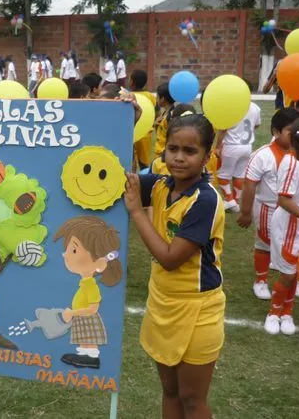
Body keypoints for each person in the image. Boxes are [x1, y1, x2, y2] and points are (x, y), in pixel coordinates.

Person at [124, 113, 226, 419]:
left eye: (190, 151)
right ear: (164, 149)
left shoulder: (205, 200)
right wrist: (125, 123)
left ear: (207, 156)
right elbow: (115, 178)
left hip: (198, 312)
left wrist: (138, 214)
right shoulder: (159, 185)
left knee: (192, 400)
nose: (179, 158)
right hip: (161, 304)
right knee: (169, 392)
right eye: (173, 149)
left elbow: (170, 259)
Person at [264, 117, 299, 336]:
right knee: (287, 274)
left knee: (295, 270)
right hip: (289, 225)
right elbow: (284, 200)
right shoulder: (291, 164)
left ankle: (287, 312)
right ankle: (273, 312)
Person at [238, 108, 299, 300]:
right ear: (276, 131)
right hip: (268, 208)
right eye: (291, 131)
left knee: (295, 245)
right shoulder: (262, 155)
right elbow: (249, 185)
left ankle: (293, 278)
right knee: (264, 244)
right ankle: (260, 280)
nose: (296, 136)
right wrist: (246, 212)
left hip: (294, 210)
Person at [54, 216, 122, 369]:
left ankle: (91, 357)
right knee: (84, 338)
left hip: (87, 318)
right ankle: (84, 355)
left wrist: (72, 313)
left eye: (74, 250)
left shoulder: (90, 285)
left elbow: (93, 308)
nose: (65, 254)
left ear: (99, 263)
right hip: (82, 318)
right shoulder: (85, 283)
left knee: (88, 338)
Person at [215, 83, 261, 213]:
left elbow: (223, 129)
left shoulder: (231, 106)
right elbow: (256, 125)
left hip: (231, 145)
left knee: (223, 174)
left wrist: (218, 146)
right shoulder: (255, 107)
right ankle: (235, 201)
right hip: (247, 146)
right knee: (239, 175)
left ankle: (229, 200)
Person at [129, 69, 156, 170]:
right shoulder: (151, 96)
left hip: (131, 132)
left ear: (132, 82)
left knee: (130, 161)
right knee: (144, 163)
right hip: (145, 134)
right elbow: (155, 112)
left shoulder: (128, 96)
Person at [153, 82, 176, 158]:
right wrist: (157, 126)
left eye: (157, 96)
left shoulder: (171, 116)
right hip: (160, 153)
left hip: (164, 155)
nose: (156, 99)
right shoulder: (164, 113)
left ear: (162, 99)